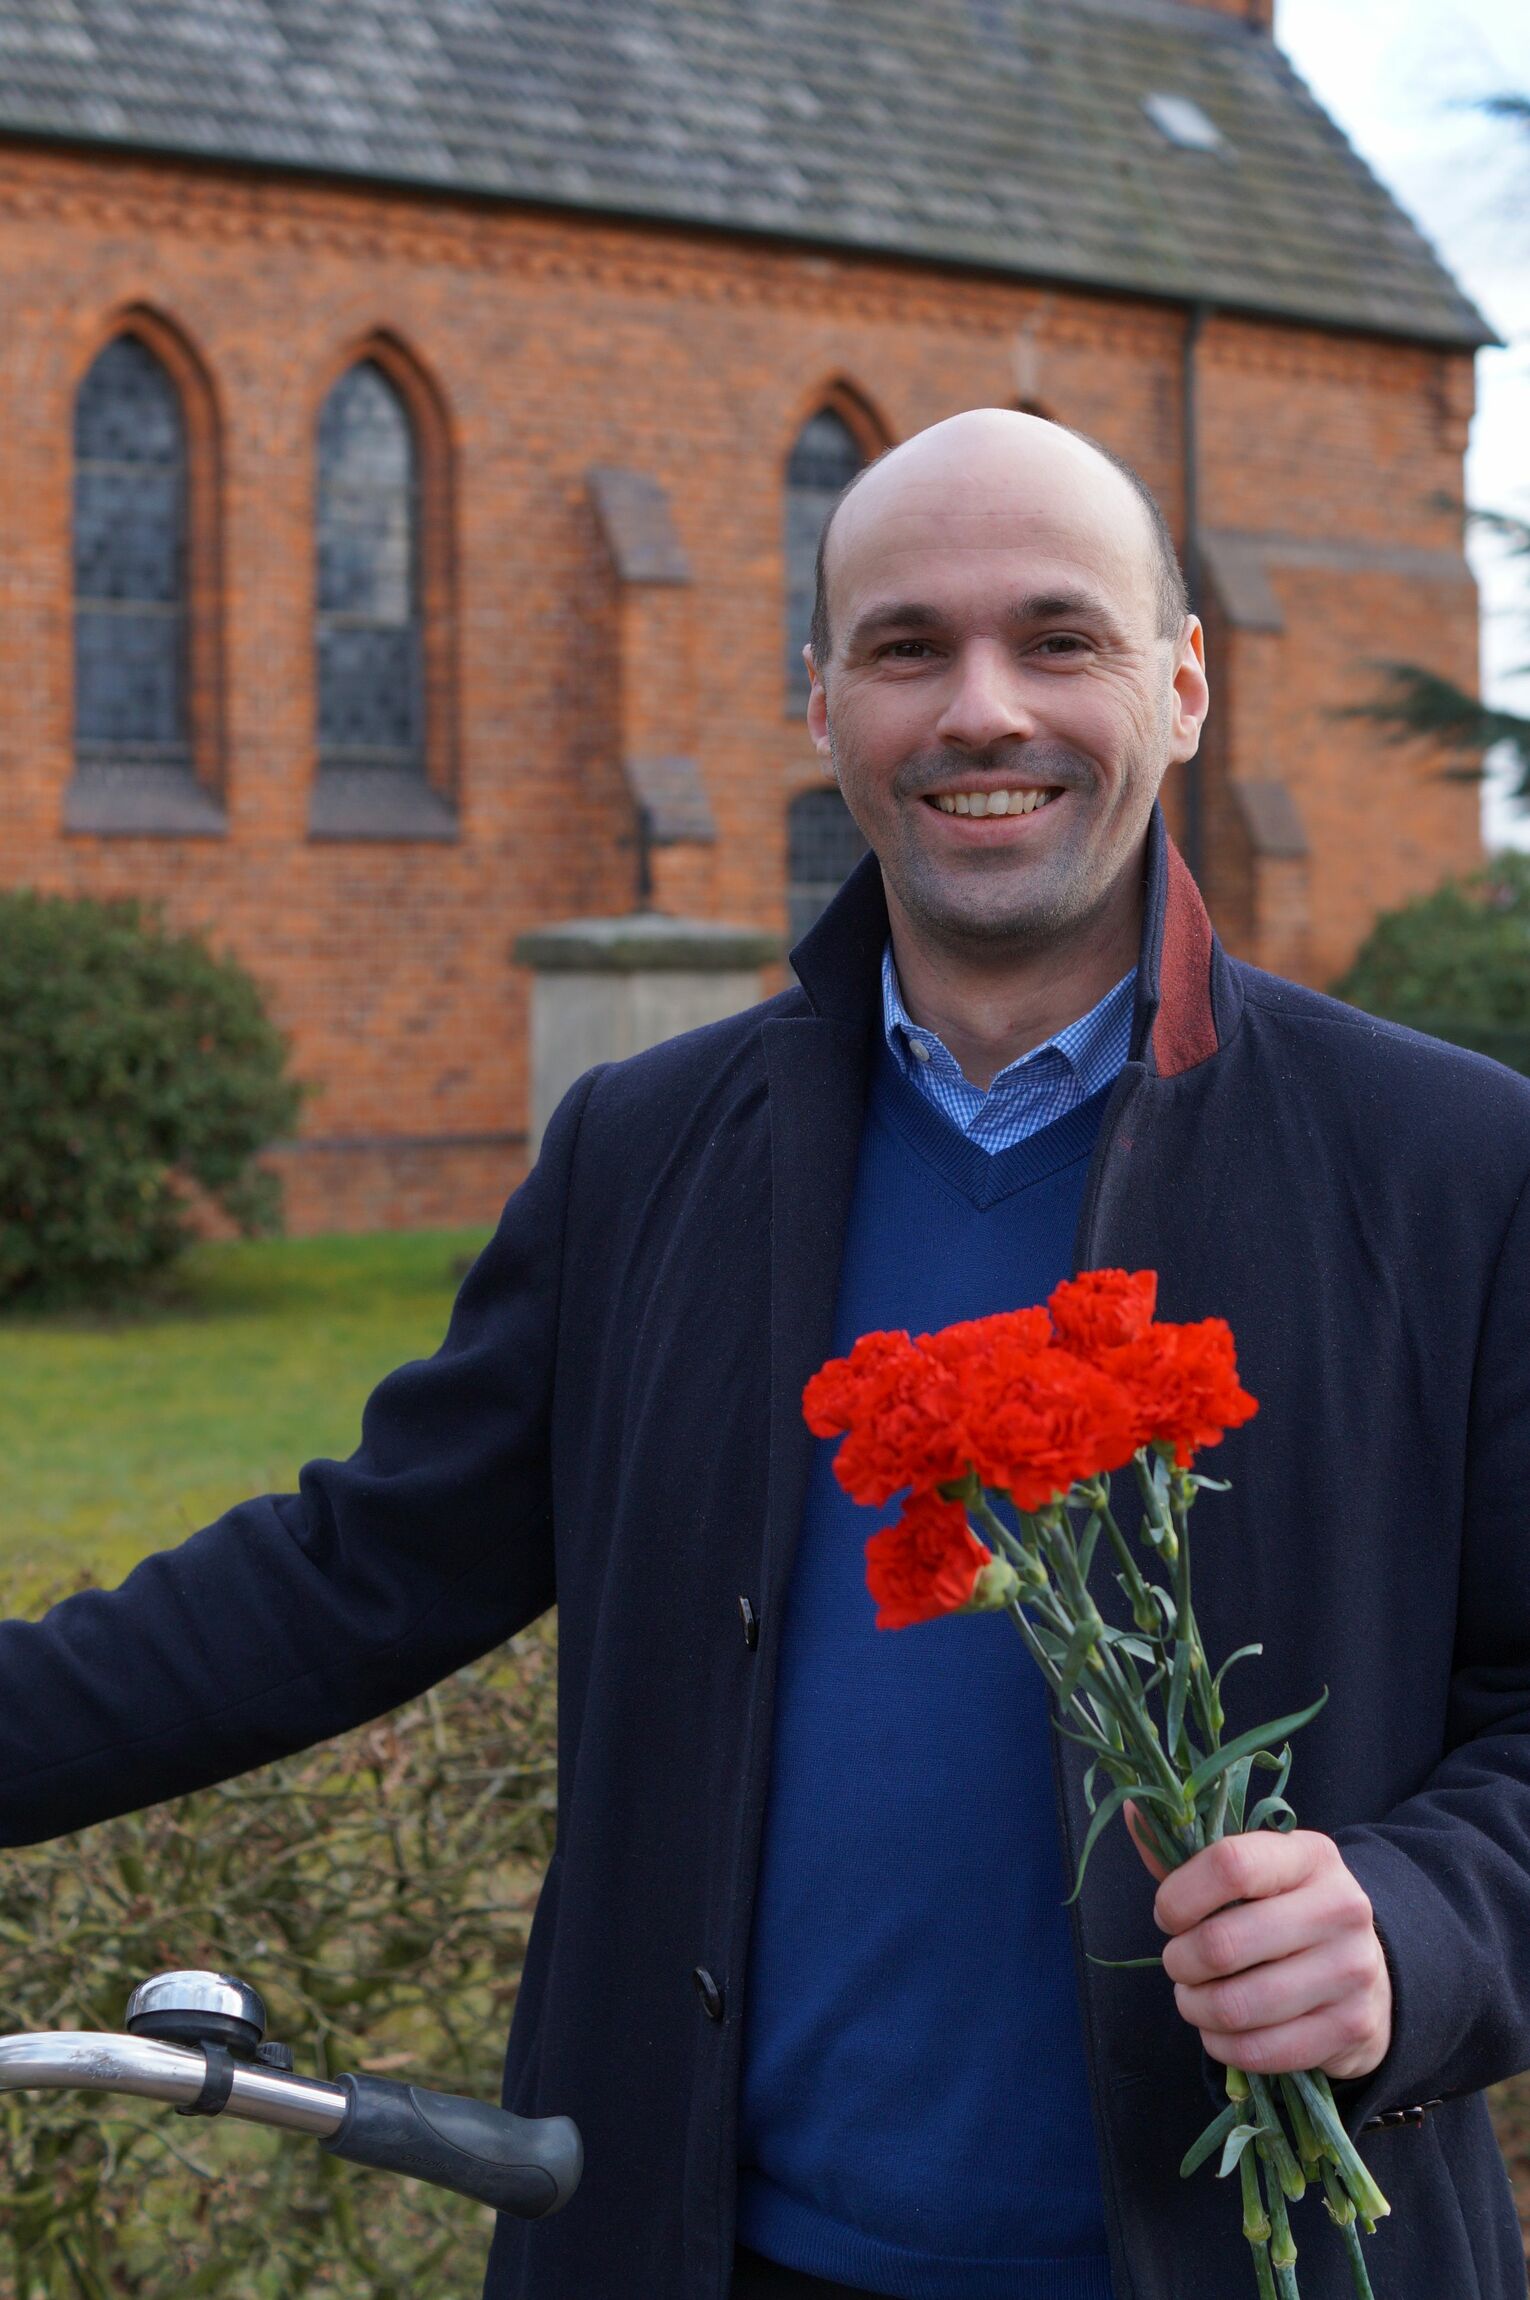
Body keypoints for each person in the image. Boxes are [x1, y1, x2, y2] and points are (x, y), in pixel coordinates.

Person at [2, 408, 1528, 2300]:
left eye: (1057, 640)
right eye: (905, 648)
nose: (980, 711)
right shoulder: (648, 1153)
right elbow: (355, 1573)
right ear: (822, 704)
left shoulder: (1453, 1166)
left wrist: (1419, 1924)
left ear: (1184, 685)